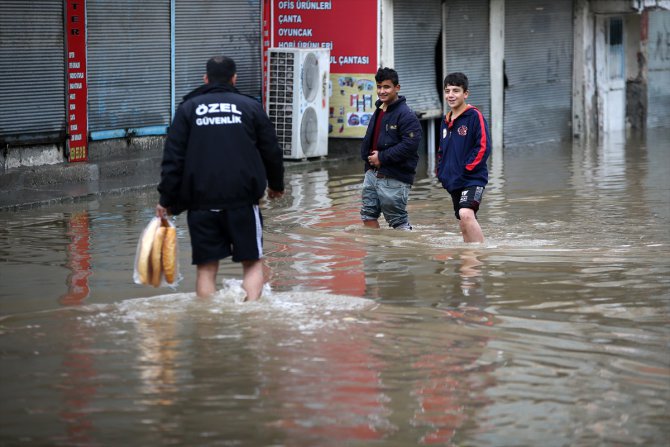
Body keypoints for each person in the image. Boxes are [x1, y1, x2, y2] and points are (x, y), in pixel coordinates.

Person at [156, 56, 284, 300]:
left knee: (206, 268)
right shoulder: (250, 107)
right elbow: (272, 151)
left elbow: (173, 160)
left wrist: (166, 200)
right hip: (243, 202)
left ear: (205, 79)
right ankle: (252, 320)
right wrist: (276, 186)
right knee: (252, 263)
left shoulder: (188, 109)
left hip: (201, 203)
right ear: (234, 79)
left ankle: (208, 328)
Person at [360, 67, 422, 230]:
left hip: (395, 177)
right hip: (372, 174)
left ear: (397, 88)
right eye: (379, 87)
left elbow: (410, 145)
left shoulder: (406, 114)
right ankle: (376, 253)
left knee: (398, 222)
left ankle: (404, 254)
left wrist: (382, 157)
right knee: (367, 216)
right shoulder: (379, 110)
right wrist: (368, 165)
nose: (382, 91)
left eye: (386, 87)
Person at [436, 72, 491, 243]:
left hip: (472, 178)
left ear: (465, 93)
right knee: (464, 221)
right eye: (447, 91)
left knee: (465, 214)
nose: (450, 95)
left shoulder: (475, 116)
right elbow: (441, 150)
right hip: (453, 181)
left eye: (456, 90)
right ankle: (470, 262)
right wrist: (441, 173)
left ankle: (482, 253)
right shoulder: (445, 121)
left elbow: (483, 146)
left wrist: (467, 169)